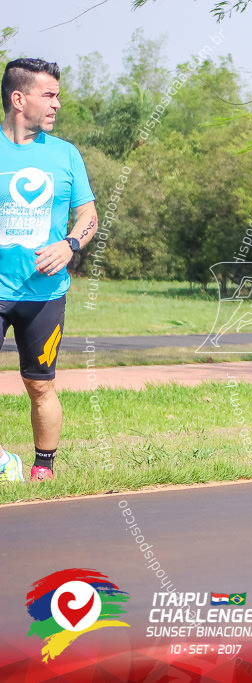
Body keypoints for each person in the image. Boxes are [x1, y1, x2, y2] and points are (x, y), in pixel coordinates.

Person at [0, 58, 98, 482]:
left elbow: (89, 215)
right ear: (19, 99)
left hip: (44, 296)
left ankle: (43, 467)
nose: (57, 104)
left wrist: (71, 243)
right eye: (49, 95)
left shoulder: (66, 155)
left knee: (39, 385)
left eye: (58, 95)